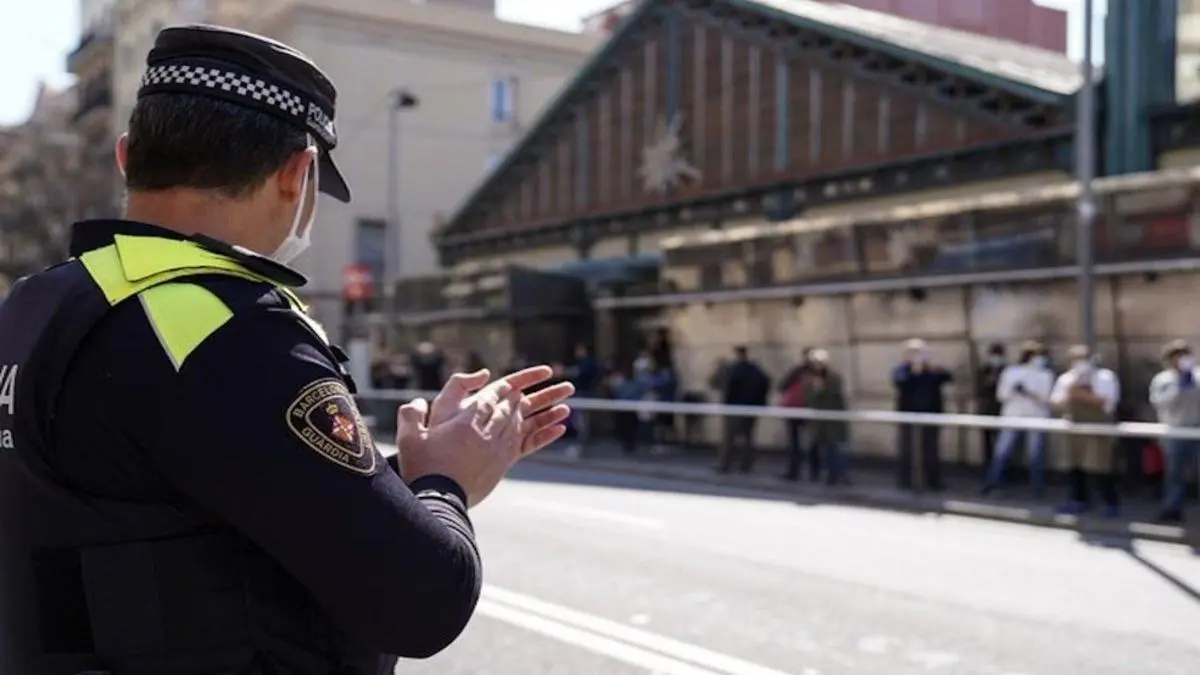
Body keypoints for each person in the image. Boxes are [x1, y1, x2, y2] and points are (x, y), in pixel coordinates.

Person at [0, 25, 574, 675]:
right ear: (297, 173)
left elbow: (185, 488)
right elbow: (422, 599)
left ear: (127, 157)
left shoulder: (35, 304)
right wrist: (447, 483)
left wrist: (399, 480)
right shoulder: (224, 329)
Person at [1051, 345, 1121, 516]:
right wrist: (1071, 392)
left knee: (1101, 467)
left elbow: (1108, 402)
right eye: (1077, 359)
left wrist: (1084, 394)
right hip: (1074, 427)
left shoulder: (1105, 377)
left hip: (1099, 427)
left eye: (1084, 359)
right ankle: (1078, 500)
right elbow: (1056, 402)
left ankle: (1110, 503)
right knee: (1076, 466)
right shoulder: (1066, 379)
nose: (1080, 363)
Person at [981, 340, 1054, 497]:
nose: (1040, 360)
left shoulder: (1045, 374)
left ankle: (1037, 488)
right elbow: (1001, 395)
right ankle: (993, 482)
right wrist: (1015, 390)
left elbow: (1047, 398)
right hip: (1013, 415)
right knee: (1002, 451)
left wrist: (1029, 392)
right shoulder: (1012, 372)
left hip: (1036, 416)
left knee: (1036, 453)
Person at [1148, 339, 1200, 524]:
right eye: (1177, 356)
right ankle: (1172, 508)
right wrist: (1179, 386)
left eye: (1185, 355)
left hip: (1197, 430)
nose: (1181, 359)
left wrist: (1193, 383)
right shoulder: (1163, 380)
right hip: (1175, 432)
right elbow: (1160, 403)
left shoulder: (1198, 376)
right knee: (1174, 473)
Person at [892, 338, 952, 491]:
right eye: (912, 353)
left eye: (918, 352)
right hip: (908, 417)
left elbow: (948, 377)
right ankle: (905, 481)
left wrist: (928, 368)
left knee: (930, 450)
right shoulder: (901, 370)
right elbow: (900, 382)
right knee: (907, 450)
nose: (915, 356)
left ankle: (933, 481)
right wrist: (914, 371)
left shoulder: (932, 370)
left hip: (930, 416)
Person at [717, 345, 770, 473]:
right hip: (750, 408)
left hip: (734, 407)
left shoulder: (732, 369)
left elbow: (721, 384)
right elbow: (765, 382)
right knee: (748, 438)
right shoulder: (755, 370)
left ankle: (726, 464)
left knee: (729, 437)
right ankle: (746, 464)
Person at [803, 349, 851, 486]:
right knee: (823, 449)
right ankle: (827, 475)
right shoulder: (809, 379)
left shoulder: (834, 377)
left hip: (834, 419)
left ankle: (840, 474)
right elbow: (809, 398)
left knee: (838, 449)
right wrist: (816, 390)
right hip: (819, 421)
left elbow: (838, 396)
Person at [778, 348, 817, 482]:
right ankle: (814, 472)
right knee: (813, 442)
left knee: (795, 442)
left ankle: (794, 471)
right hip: (811, 411)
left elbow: (782, 386)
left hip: (794, 410)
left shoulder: (797, 371)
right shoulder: (819, 373)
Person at [975, 342, 1007, 470]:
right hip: (987, 408)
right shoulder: (983, 370)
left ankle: (1002, 468)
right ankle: (988, 467)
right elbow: (978, 390)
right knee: (987, 442)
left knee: (1002, 441)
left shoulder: (1007, 370)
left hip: (1002, 409)